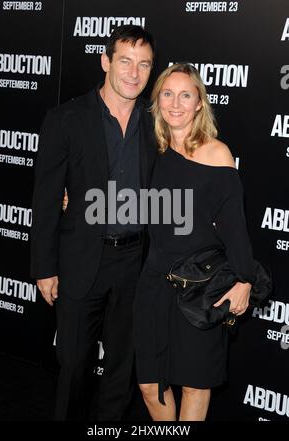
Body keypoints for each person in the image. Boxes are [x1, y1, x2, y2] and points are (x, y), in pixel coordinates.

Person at [30, 25, 157, 421]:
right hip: (82, 257)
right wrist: (45, 268)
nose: (134, 74)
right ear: (106, 62)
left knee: (122, 369)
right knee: (73, 365)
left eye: (144, 65)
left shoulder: (159, 124)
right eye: (125, 62)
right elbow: (47, 198)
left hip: (136, 262)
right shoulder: (66, 118)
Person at [133, 63, 255, 421]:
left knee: (194, 384)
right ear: (157, 102)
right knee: (150, 386)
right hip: (154, 281)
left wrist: (245, 280)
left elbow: (235, 228)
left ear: (200, 103)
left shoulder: (217, 154)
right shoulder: (152, 149)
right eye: (167, 94)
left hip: (200, 286)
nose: (175, 103)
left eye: (185, 95)